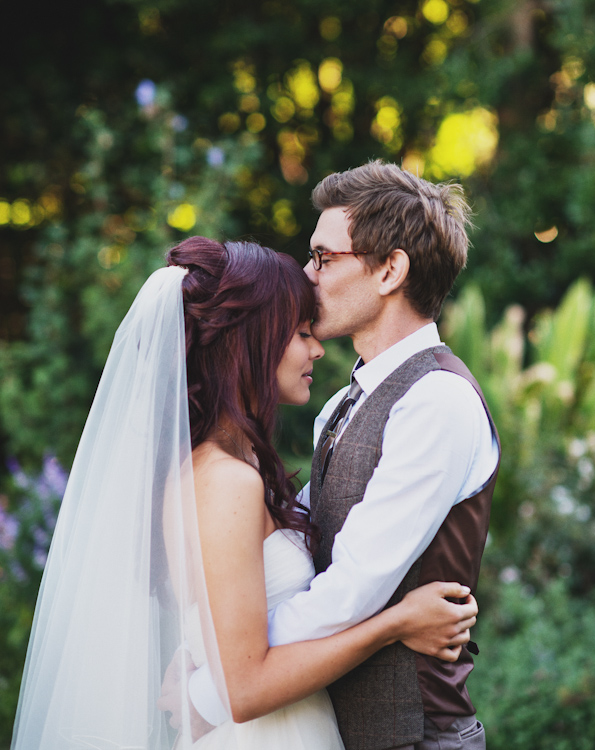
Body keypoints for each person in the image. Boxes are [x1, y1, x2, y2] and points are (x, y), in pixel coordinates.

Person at [11, 235, 477, 750]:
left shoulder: (238, 465)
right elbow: (246, 686)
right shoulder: (226, 480)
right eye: (301, 333)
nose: (317, 347)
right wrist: (396, 624)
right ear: (252, 342)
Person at [263, 161, 501, 750]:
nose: (307, 274)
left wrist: (228, 661)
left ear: (391, 269)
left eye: (324, 258)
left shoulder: (437, 400)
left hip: (415, 736)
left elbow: (350, 591)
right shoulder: (346, 400)